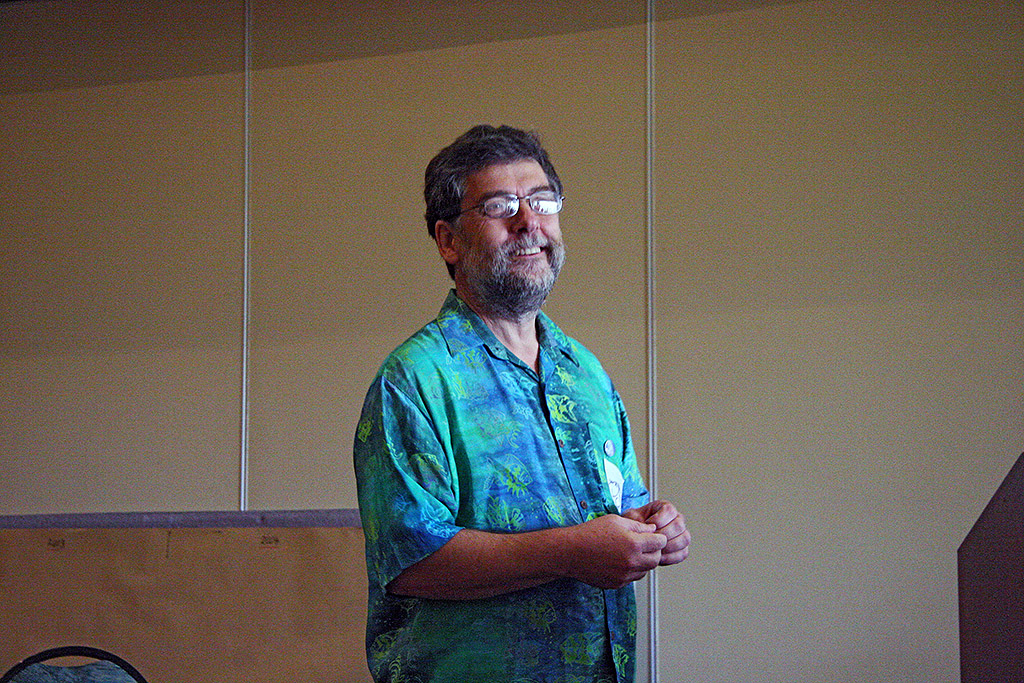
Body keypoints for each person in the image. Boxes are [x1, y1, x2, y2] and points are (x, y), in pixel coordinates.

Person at [353, 124, 690, 683]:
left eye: (542, 201)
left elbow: (619, 505)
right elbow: (411, 561)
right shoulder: (414, 381)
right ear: (448, 241)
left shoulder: (586, 374)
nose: (529, 221)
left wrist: (652, 527)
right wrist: (569, 552)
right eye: (500, 206)